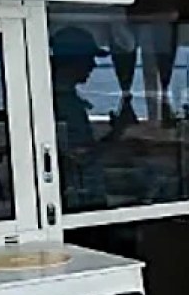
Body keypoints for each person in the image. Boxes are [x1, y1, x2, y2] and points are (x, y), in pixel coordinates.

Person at [50, 26, 133, 211]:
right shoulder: (62, 104)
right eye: (89, 58)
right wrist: (116, 135)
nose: (93, 65)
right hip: (79, 200)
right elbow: (79, 156)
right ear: (73, 60)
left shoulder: (62, 99)